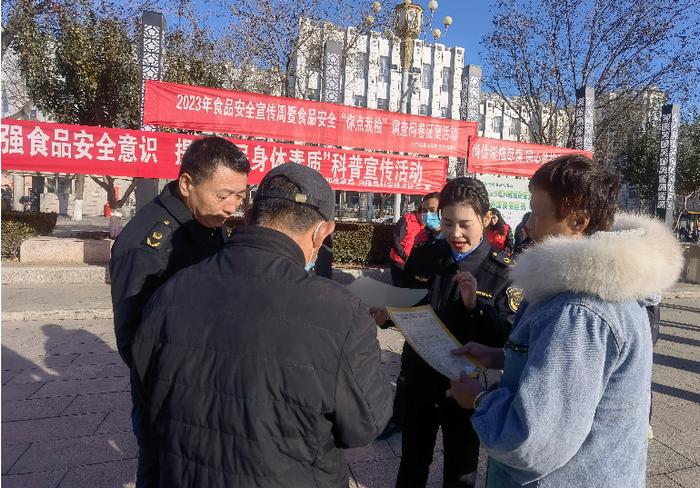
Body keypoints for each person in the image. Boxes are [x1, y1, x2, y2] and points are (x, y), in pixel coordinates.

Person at [130, 163, 393, 487]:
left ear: (251, 212)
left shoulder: (171, 292)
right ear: (321, 232)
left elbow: (147, 405)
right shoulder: (342, 313)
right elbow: (366, 423)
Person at [450, 155, 684, 487]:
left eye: (536, 213)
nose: (528, 224)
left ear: (577, 222)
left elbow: (531, 443)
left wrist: (479, 399)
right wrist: (503, 355)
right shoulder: (597, 286)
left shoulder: (578, 310)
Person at [109, 136, 250, 485]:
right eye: (223, 195)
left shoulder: (206, 221)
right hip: (169, 393)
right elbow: (134, 340)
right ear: (186, 184)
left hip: (206, 383)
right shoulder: (148, 245)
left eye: (240, 196)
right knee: (162, 471)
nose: (232, 206)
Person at [394, 178, 517, 488]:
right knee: (412, 462)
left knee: (461, 470)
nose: (455, 233)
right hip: (418, 379)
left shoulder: (501, 272)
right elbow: (406, 304)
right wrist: (386, 314)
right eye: (447, 223)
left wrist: (474, 305)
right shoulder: (425, 255)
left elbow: (506, 337)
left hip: (466, 387)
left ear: (487, 219)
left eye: (465, 224)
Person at [389, 192, 441, 286]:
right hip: (400, 261)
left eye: (432, 210)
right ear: (419, 212)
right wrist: (405, 257)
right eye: (425, 211)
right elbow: (395, 240)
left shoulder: (443, 236)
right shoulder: (406, 220)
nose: (427, 215)